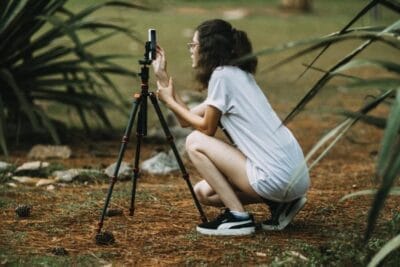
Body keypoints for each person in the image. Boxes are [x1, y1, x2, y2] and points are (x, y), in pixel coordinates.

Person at [152, 19, 310, 236]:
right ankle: (282, 205)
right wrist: (162, 77)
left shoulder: (222, 76)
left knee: (194, 142)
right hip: (294, 177)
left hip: (277, 177)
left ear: (207, 48)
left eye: (194, 45)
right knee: (204, 193)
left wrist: (168, 101)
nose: (191, 50)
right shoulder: (236, 75)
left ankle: (238, 217)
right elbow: (186, 120)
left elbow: (206, 129)